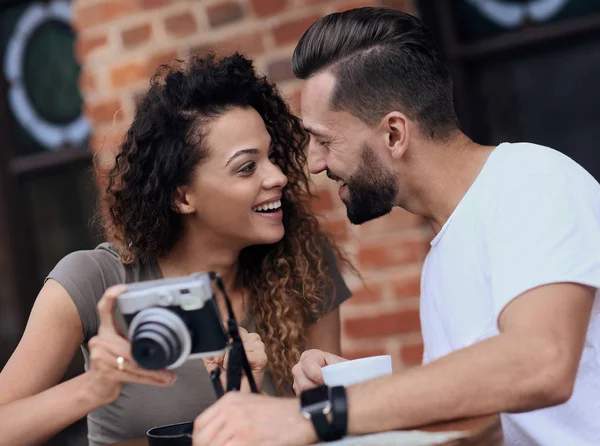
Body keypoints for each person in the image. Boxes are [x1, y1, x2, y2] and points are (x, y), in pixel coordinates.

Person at [190, 7, 600, 446]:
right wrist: (354, 395)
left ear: (394, 135)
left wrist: (318, 416)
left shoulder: (531, 182)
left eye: (325, 140)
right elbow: (484, 423)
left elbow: (542, 362)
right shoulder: (444, 252)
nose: (313, 163)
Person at [0, 53, 354, 446]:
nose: (278, 176)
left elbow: (328, 430)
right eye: (246, 167)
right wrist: (93, 388)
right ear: (182, 196)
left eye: (270, 156)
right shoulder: (95, 280)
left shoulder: (304, 263)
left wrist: (284, 400)